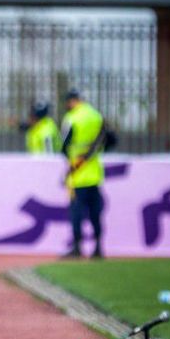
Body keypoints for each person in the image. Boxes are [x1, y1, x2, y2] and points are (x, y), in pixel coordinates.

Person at [60, 89, 106, 259]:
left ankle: (77, 247)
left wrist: (73, 162)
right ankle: (98, 247)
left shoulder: (71, 118)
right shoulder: (96, 115)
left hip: (77, 175)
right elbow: (105, 138)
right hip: (94, 174)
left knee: (76, 213)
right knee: (95, 213)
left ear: (72, 101)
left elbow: (64, 144)